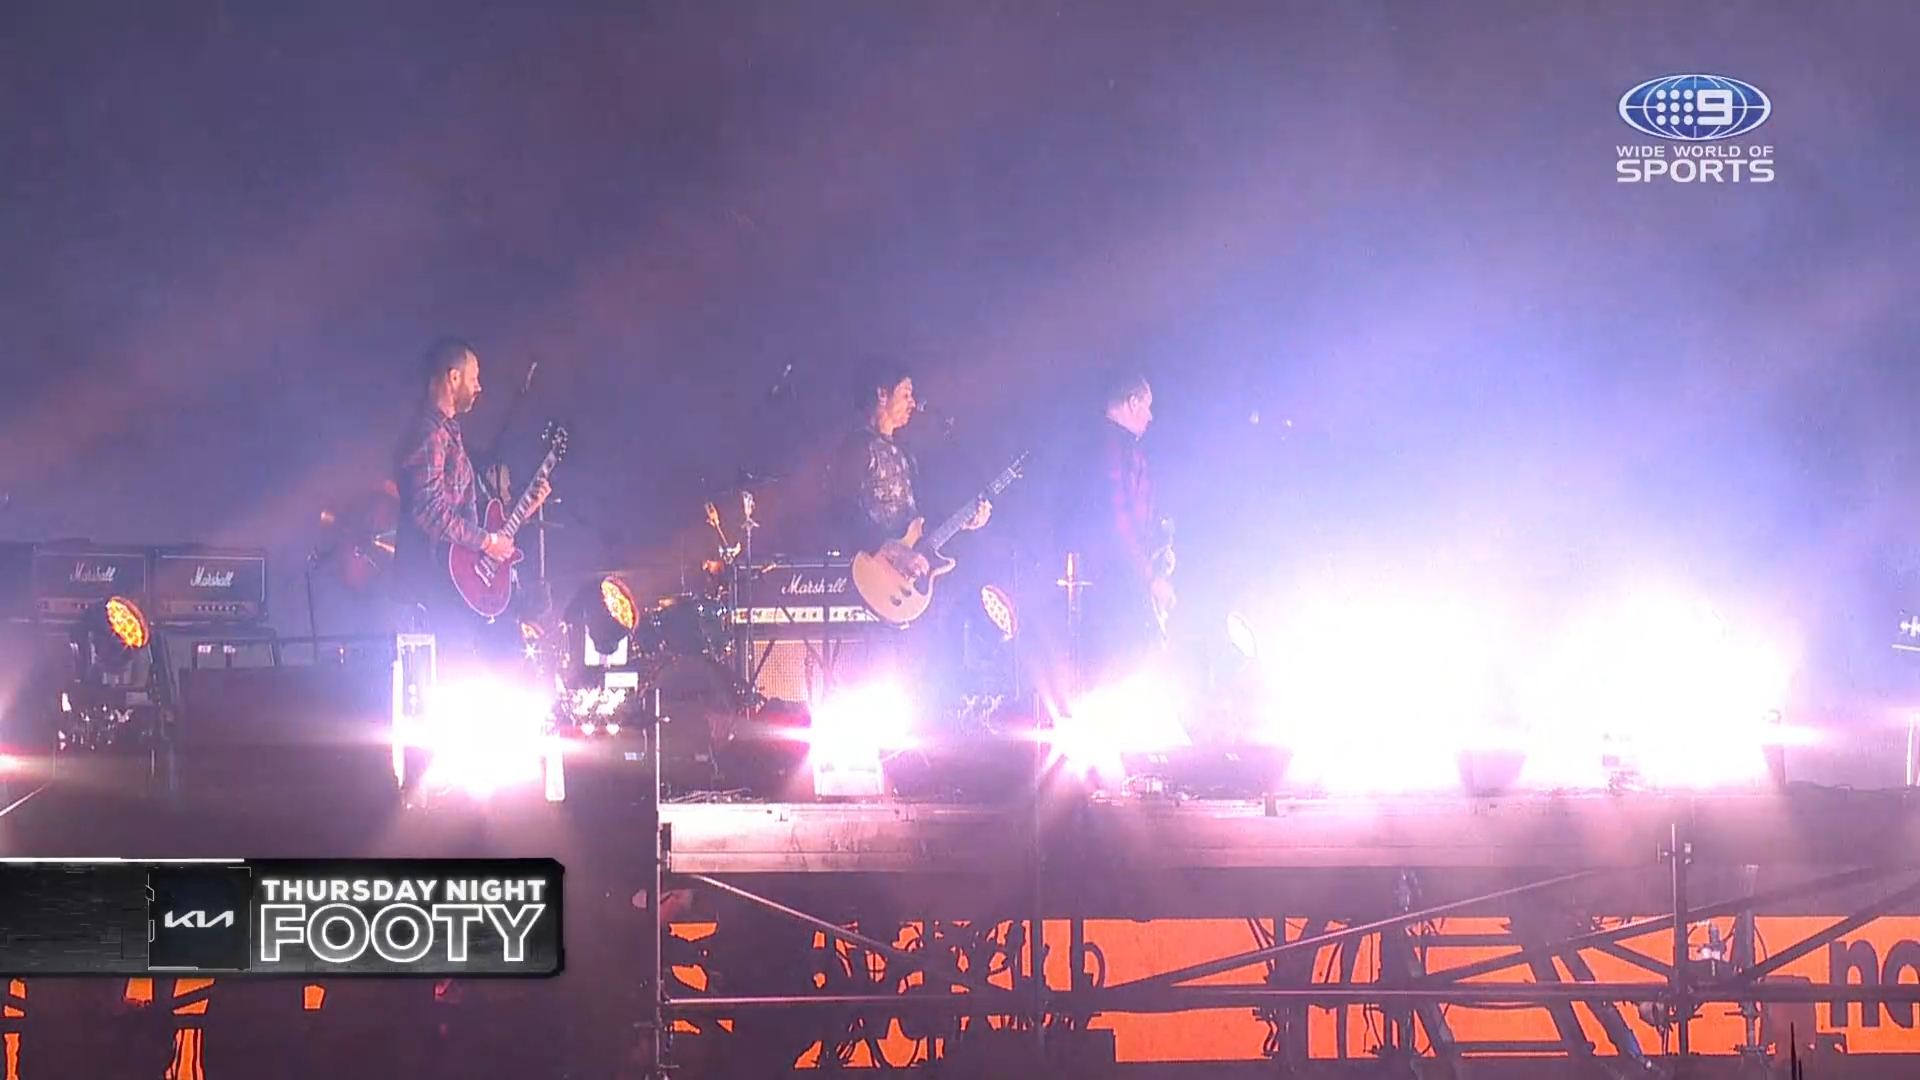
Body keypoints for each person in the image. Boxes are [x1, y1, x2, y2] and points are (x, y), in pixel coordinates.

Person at [823, 361, 990, 698]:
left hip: (906, 582)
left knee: (917, 675)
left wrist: (966, 520)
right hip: (870, 577)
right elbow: (838, 511)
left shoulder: (905, 452)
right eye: (906, 393)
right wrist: (889, 550)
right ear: (881, 394)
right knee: (873, 677)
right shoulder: (856, 447)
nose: (913, 402)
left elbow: (918, 519)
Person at [391, 338, 548, 667]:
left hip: (452, 586)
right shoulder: (429, 434)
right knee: (451, 670)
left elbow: (467, 516)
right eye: (474, 378)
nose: (479, 387)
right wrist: (488, 542)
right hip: (431, 587)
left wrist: (520, 514)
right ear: (454, 378)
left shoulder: (450, 434)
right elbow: (429, 510)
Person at [1055, 367, 1170, 686]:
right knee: (1121, 667)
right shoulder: (1110, 451)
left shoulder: (1120, 449)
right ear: (1132, 402)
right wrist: (1149, 576)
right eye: (1147, 406)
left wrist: (1157, 550)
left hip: (1120, 580)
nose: (1150, 416)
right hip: (1113, 584)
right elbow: (1118, 521)